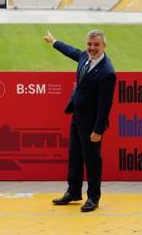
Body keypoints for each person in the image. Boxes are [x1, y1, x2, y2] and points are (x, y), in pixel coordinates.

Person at [44, 29, 116, 212]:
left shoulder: (107, 72)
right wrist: (54, 42)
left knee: (92, 160)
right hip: (77, 116)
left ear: (104, 46)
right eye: (90, 44)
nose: (92, 48)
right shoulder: (85, 57)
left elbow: (105, 105)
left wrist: (98, 130)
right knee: (74, 156)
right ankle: (74, 191)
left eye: (96, 45)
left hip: (92, 124)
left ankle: (93, 198)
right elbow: (72, 52)